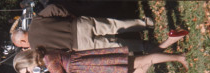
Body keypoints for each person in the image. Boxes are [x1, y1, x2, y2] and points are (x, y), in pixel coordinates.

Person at [13, 32, 188, 73]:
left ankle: (180, 57)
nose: (30, 72)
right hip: (91, 64)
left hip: (94, 65)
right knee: (140, 70)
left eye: (26, 70)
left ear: (28, 62)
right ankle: (169, 41)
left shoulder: (48, 61)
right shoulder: (46, 57)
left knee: (141, 62)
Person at [11, 4, 154, 52]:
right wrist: (70, 16)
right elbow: (53, 8)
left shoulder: (37, 49)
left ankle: (144, 46)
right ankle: (145, 24)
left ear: (23, 41)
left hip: (79, 45)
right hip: (79, 25)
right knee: (114, 26)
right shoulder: (36, 21)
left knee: (114, 45)